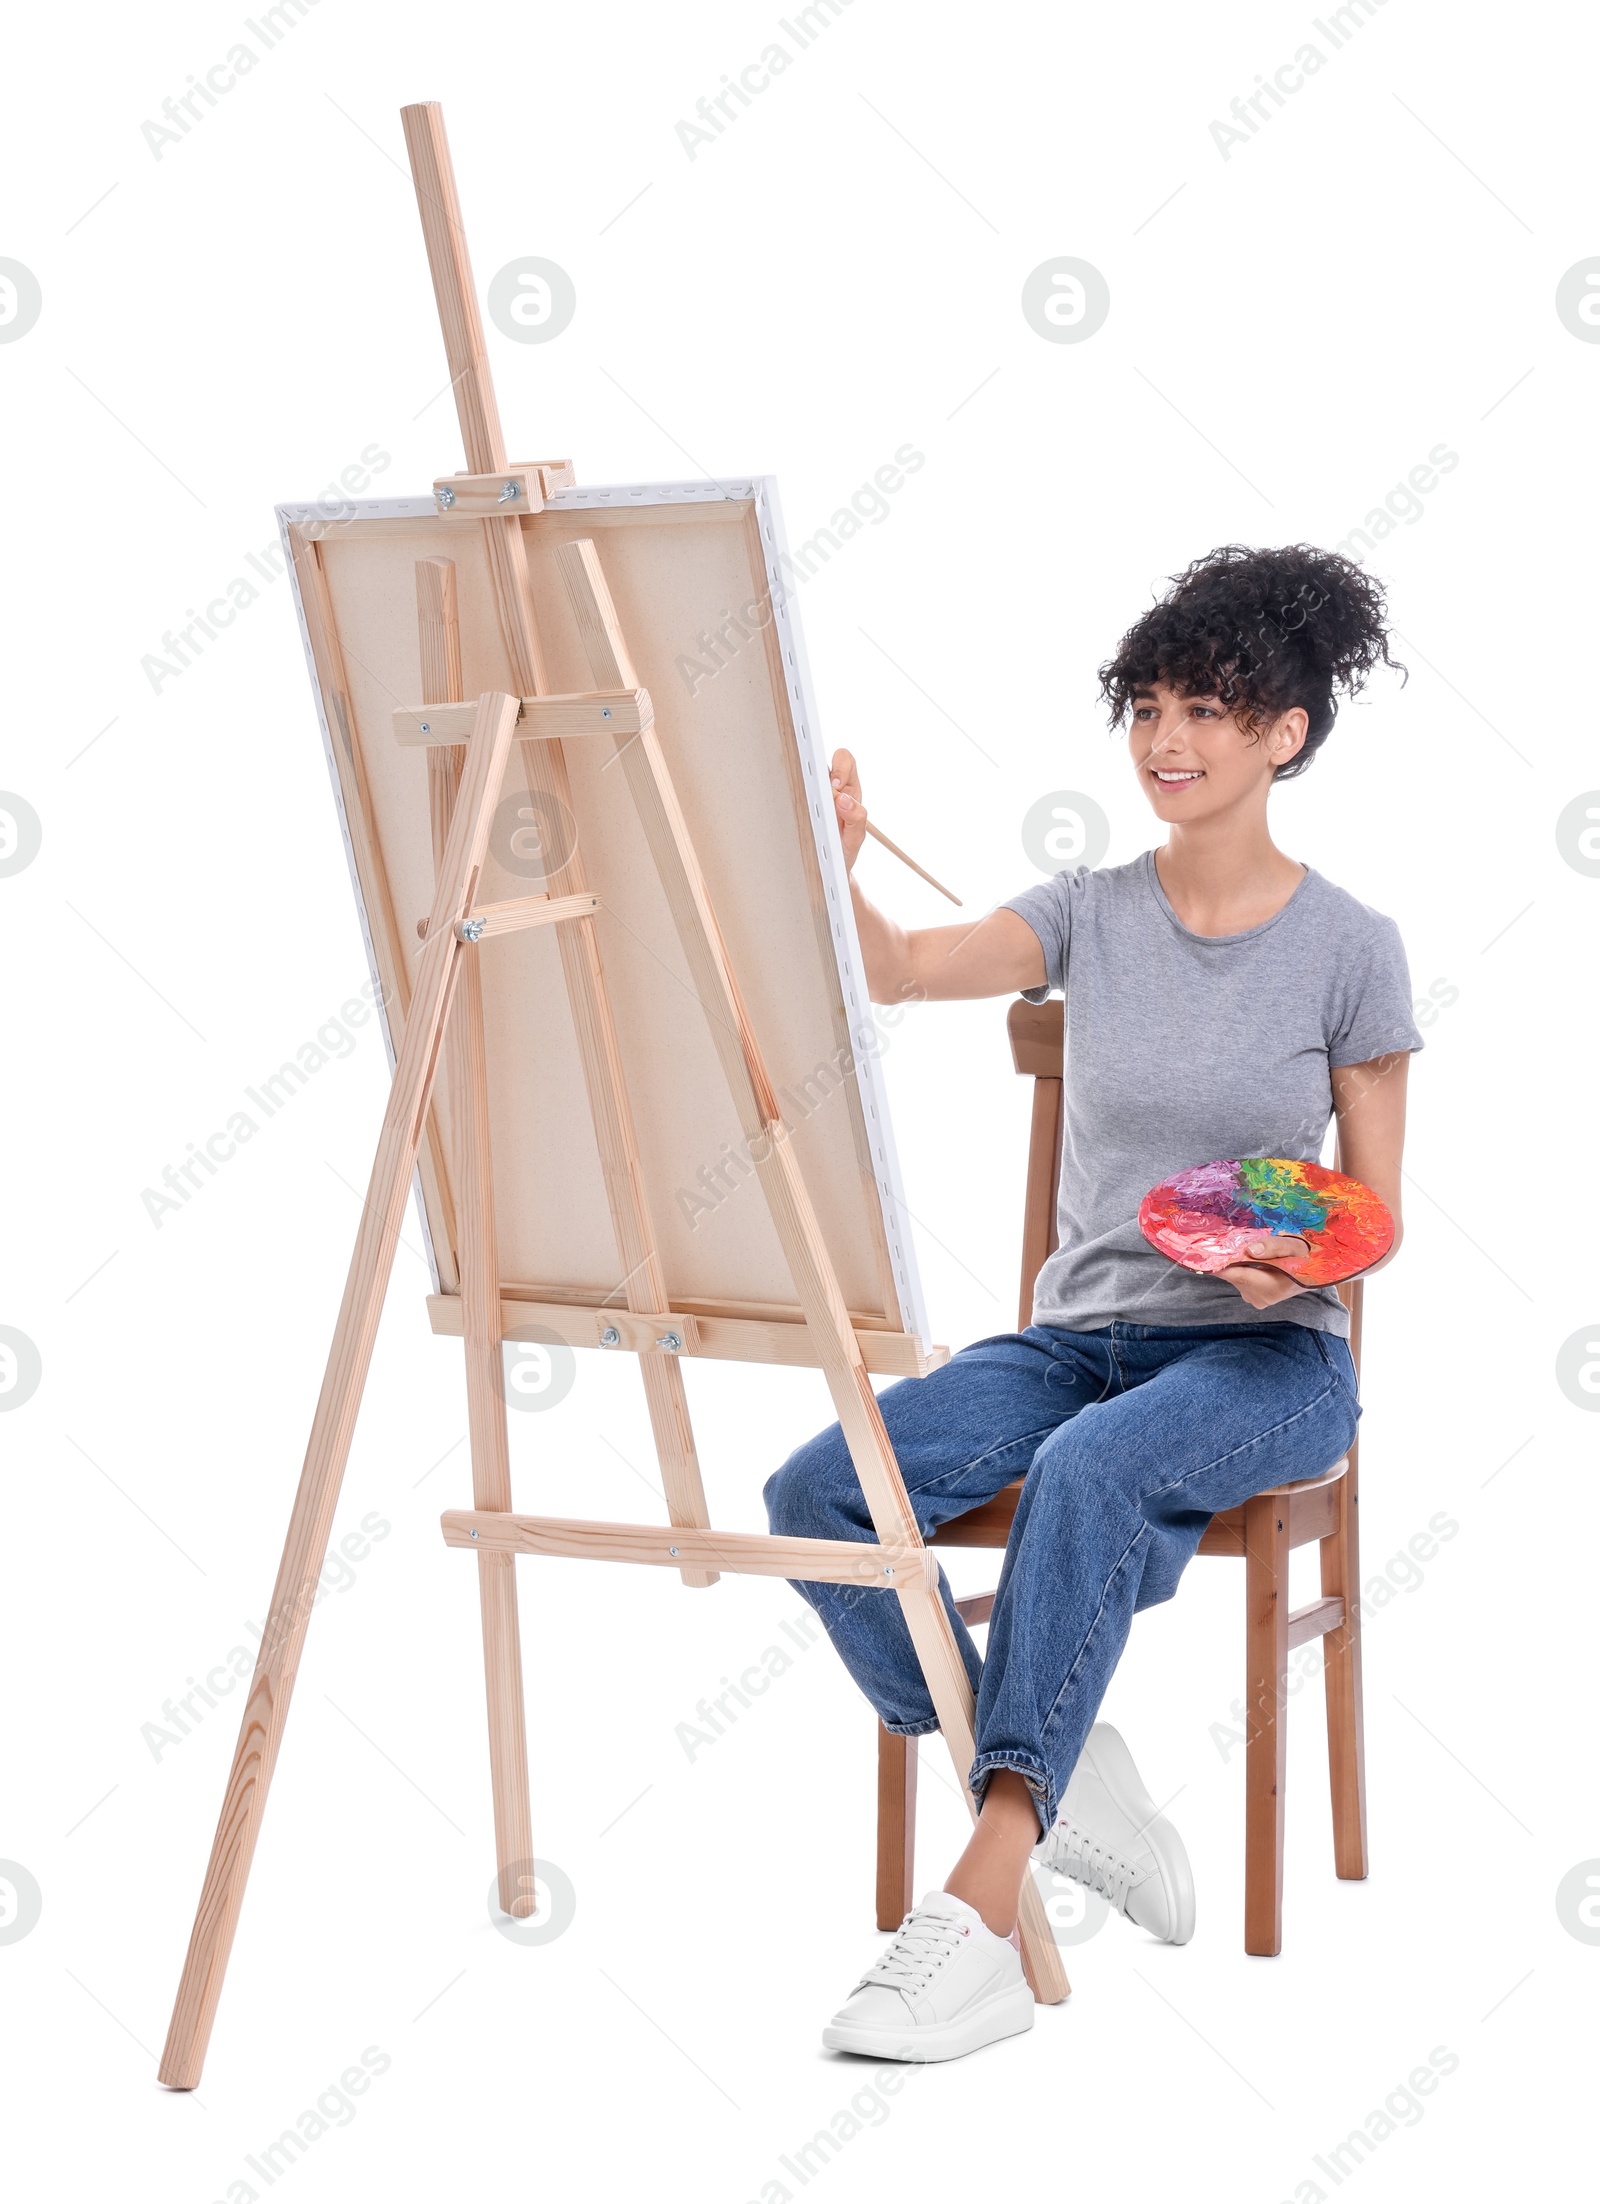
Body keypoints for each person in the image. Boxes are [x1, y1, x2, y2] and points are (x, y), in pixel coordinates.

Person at [763, 543, 1423, 2062]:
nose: (1169, 741)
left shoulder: (1351, 950)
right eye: (1149, 708)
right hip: (1079, 1344)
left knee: (1086, 1473)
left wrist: (1294, 1261)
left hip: (1269, 1358)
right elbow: (906, 969)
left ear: (1287, 736)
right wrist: (839, 858)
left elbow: (1376, 1218)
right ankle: (1062, 1761)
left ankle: (985, 1908)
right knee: (820, 1489)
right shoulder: (1090, 909)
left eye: (1210, 709)